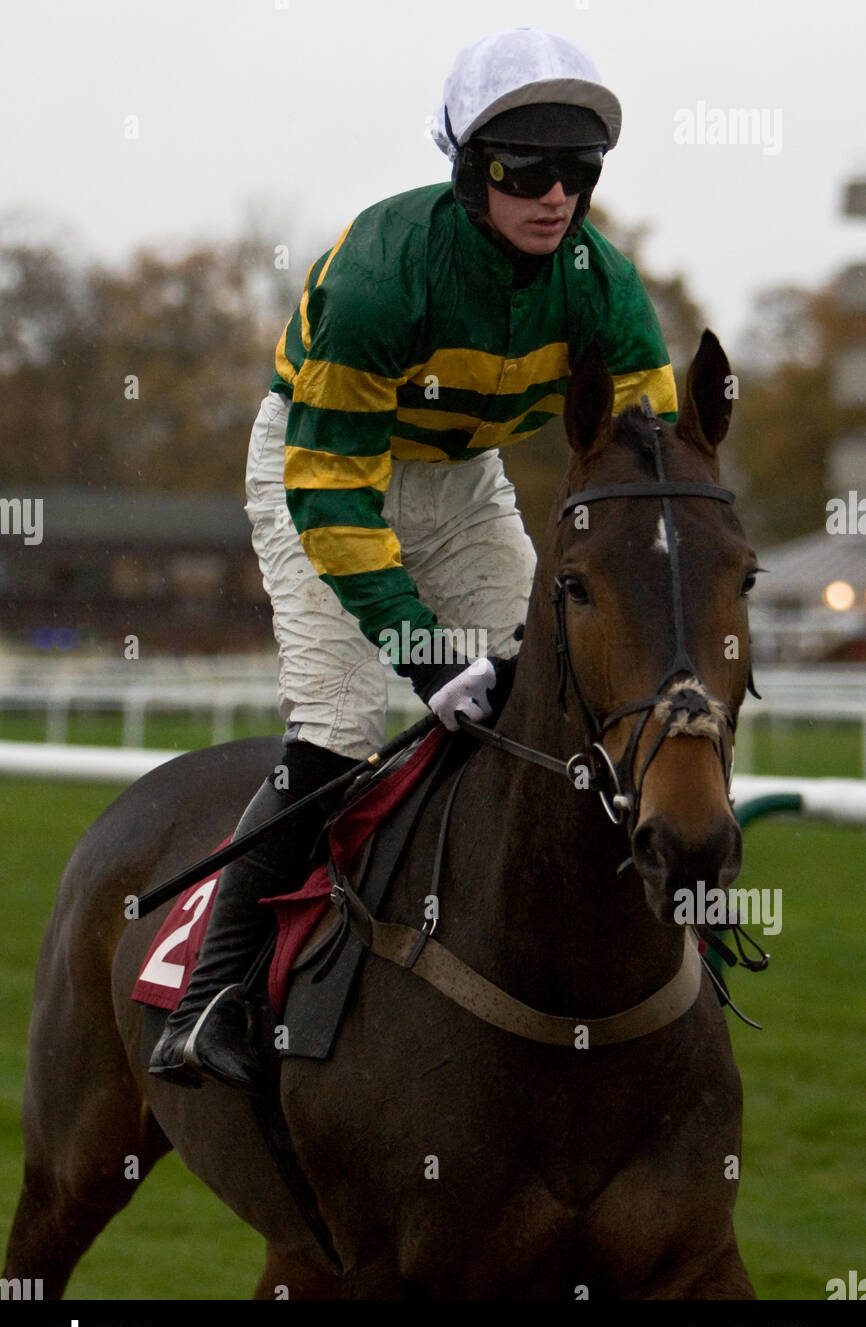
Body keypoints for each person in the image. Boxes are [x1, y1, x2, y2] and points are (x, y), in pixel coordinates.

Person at [149, 26, 677, 1091]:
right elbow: (334, 496)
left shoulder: (601, 286)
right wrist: (424, 654)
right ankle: (208, 997)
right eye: (524, 168)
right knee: (343, 731)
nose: (555, 196)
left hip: (462, 476)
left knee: (549, 696)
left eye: (578, 171)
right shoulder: (384, 274)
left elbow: (653, 463)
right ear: (465, 165)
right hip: (324, 462)